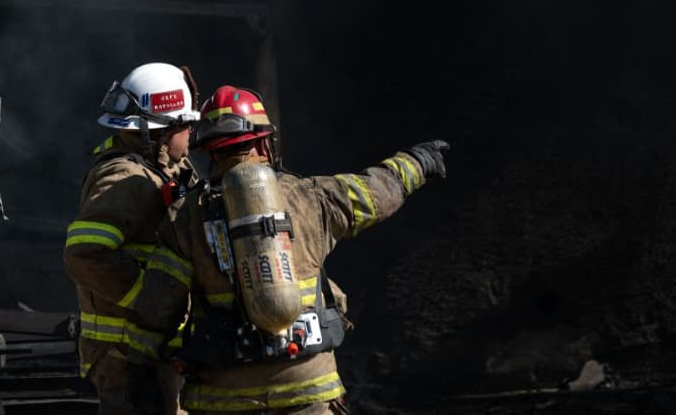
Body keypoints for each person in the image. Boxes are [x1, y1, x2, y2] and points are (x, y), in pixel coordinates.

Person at [132, 85, 448, 414]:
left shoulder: (184, 216)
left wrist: (139, 369)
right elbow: (375, 194)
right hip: (309, 389)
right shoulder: (311, 197)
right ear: (262, 142)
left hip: (223, 398)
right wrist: (417, 162)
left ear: (209, 151)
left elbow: (158, 307)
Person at [64, 62, 201, 415]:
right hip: (125, 355)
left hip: (150, 351)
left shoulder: (158, 171)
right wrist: (151, 298)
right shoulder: (125, 178)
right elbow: (84, 254)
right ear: (160, 131)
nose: (191, 134)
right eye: (185, 124)